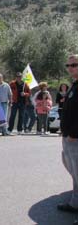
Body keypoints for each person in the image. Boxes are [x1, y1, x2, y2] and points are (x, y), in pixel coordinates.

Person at [57, 54, 78, 213]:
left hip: (75, 137)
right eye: (68, 65)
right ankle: (75, 203)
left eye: (74, 65)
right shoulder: (74, 84)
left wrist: (73, 133)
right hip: (68, 136)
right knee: (75, 173)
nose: (70, 68)